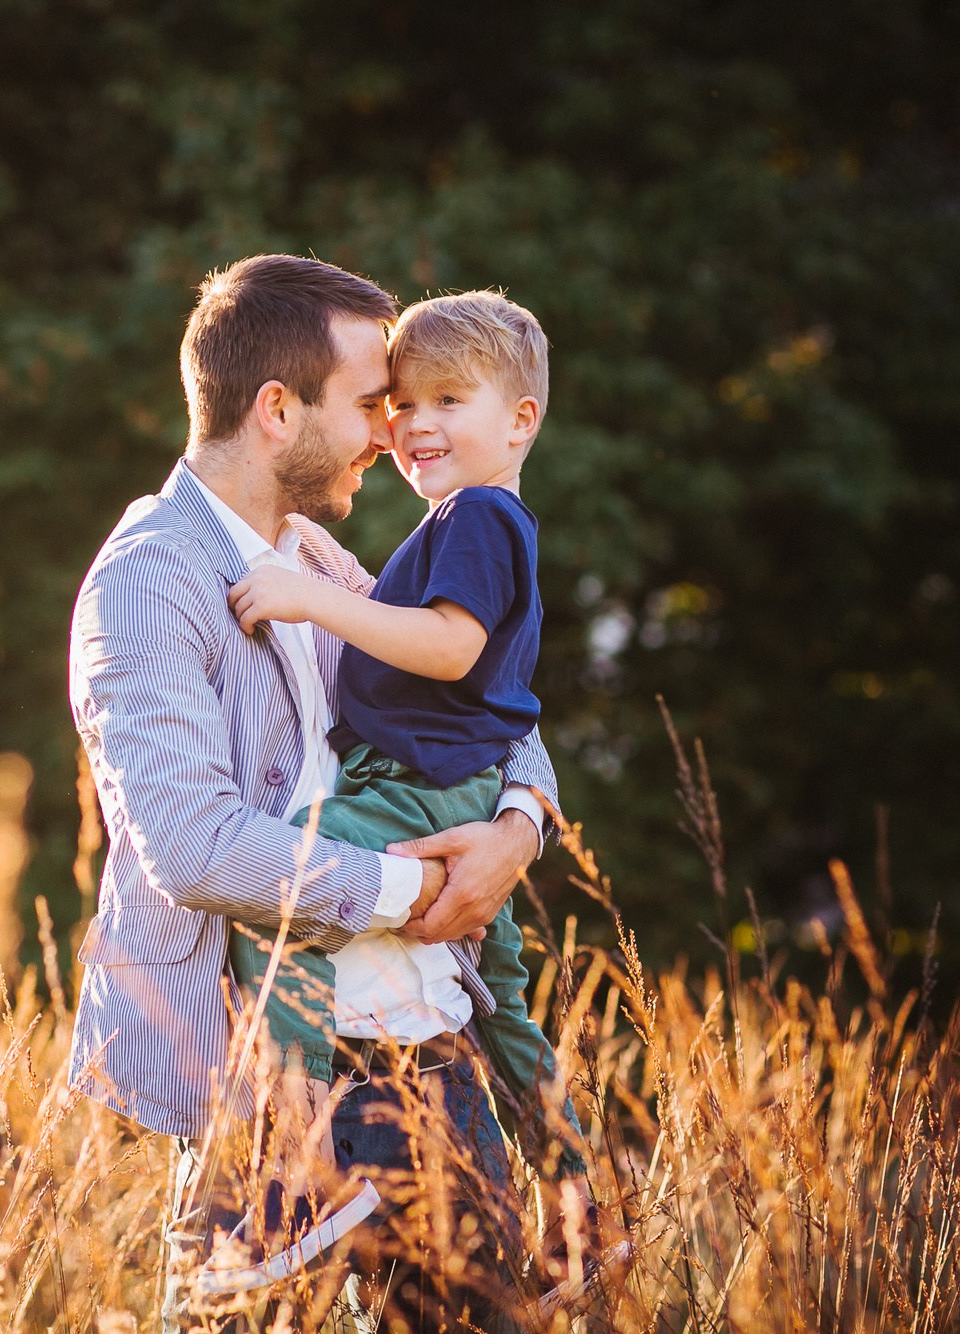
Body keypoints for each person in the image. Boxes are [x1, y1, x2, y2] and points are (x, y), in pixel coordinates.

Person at [64, 255, 582, 1330]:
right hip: (271, 1100)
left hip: (427, 1055)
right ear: (274, 409)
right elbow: (195, 845)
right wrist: (416, 889)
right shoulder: (148, 578)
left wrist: (515, 834)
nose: (389, 433)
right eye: (369, 405)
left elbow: (488, 704)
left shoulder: (318, 561)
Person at [223, 291, 591, 1313]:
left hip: (418, 788)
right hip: (458, 784)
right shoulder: (463, 516)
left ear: (519, 420)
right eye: (397, 403)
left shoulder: (474, 516)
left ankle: (293, 1176)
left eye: (447, 399)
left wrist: (309, 598)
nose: (413, 423)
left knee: (276, 886)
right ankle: (578, 1200)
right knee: (504, 1000)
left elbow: (450, 647)